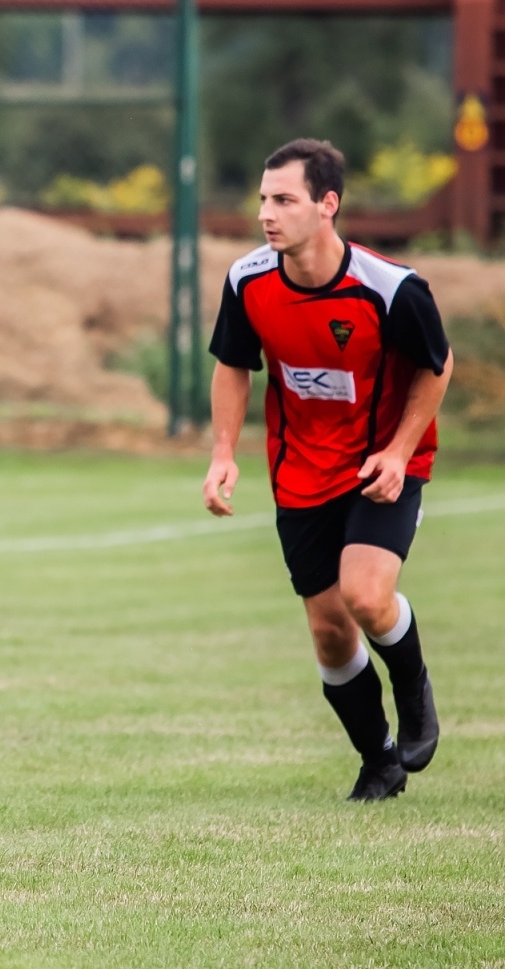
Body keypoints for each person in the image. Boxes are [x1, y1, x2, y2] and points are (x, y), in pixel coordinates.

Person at [203, 138, 452, 801]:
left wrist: (399, 451)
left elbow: (437, 365)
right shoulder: (247, 280)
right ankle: (379, 760)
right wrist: (223, 453)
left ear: (327, 205)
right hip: (300, 472)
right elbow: (232, 365)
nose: (267, 213)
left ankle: (414, 690)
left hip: (382, 465)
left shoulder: (391, 289)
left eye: (284, 200)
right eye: (263, 198)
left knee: (366, 596)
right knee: (329, 629)